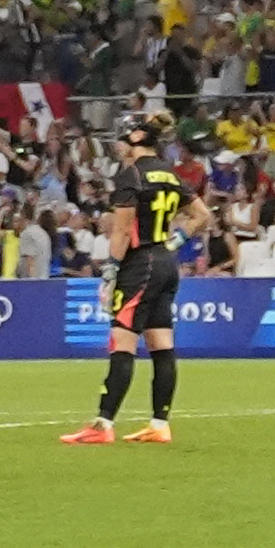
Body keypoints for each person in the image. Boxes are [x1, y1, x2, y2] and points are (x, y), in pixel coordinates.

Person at [63, 115, 186, 446]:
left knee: (122, 341)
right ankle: (160, 424)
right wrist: (175, 242)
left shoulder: (131, 175)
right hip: (165, 261)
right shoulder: (170, 173)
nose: (116, 146)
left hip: (139, 264)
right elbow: (202, 213)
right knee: (162, 345)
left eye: (120, 140)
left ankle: (103, 424)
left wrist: (111, 269)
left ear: (134, 140)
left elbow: (121, 229)